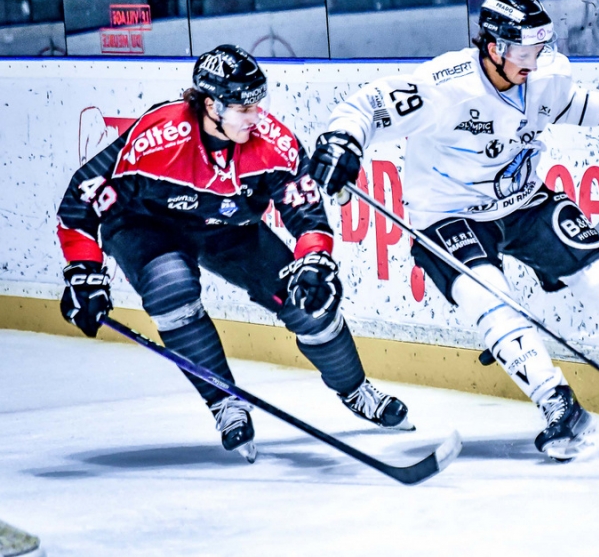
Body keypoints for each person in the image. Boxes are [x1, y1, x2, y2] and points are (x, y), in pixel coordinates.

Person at [309, 0, 599, 460]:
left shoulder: (542, 72)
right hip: (449, 214)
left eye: (540, 47)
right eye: (526, 51)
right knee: (490, 301)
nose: (536, 59)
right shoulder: (445, 85)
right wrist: (341, 142)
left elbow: (572, 104)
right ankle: (558, 404)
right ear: (495, 48)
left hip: (525, 201)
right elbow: (365, 107)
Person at [56, 44, 413, 463]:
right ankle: (224, 402)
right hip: (145, 225)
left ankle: (355, 389)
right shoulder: (158, 139)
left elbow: (306, 213)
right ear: (212, 105)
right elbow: (81, 197)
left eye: (258, 104)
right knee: (171, 288)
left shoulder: (272, 143)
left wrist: (315, 258)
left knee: (310, 302)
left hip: (227, 226)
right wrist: (84, 270)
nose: (255, 116)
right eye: (244, 108)